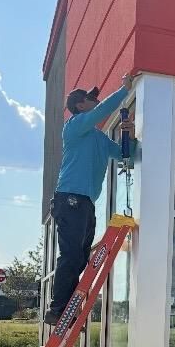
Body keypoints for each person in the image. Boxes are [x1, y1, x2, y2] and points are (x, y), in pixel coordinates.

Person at [44, 74, 137, 326]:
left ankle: (68, 308)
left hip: (85, 203)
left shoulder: (98, 138)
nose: (95, 101)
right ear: (80, 106)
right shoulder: (74, 127)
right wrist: (123, 91)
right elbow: (104, 110)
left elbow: (127, 157)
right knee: (71, 254)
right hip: (69, 198)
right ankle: (58, 309)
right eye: (90, 99)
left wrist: (131, 137)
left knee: (80, 256)